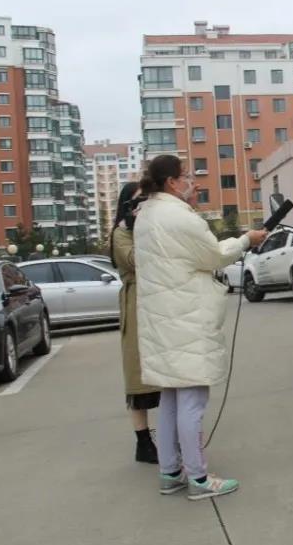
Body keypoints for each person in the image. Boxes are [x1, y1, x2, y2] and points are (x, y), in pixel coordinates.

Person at [134, 154, 267, 501]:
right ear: (171, 182)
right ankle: (198, 477)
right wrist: (245, 240)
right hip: (186, 318)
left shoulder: (146, 214)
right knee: (192, 400)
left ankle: (170, 472)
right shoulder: (179, 216)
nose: (192, 181)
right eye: (186, 175)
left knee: (170, 399)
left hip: (164, 320)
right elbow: (214, 256)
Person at [110, 181, 160, 464]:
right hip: (137, 303)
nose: (144, 204)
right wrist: (140, 228)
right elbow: (134, 260)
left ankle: (173, 435)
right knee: (138, 375)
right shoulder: (121, 232)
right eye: (139, 200)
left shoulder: (154, 225)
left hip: (160, 300)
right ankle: (143, 442)